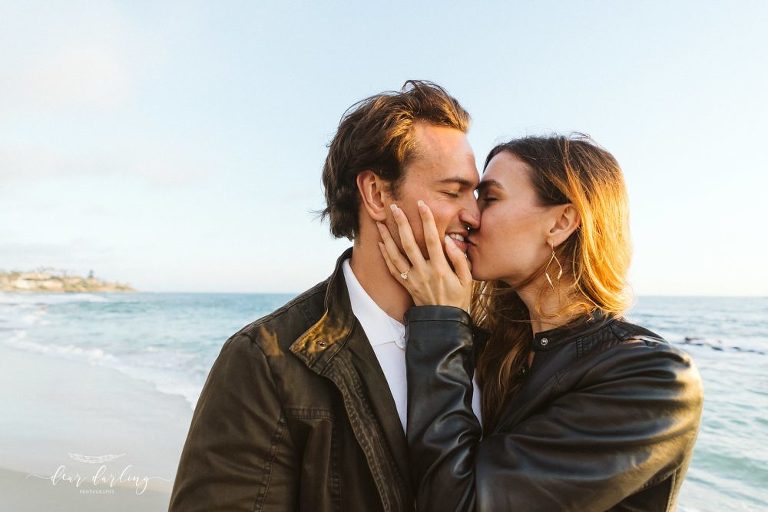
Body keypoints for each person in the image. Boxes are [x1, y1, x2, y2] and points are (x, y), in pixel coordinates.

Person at [168, 80, 482, 512]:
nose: (474, 215)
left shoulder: (494, 344)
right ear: (375, 194)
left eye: (478, 194)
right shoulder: (266, 362)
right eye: (452, 192)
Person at [377, 134, 704, 511]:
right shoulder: (498, 353)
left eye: (490, 198)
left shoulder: (653, 380)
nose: (470, 217)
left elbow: (458, 503)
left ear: (561, 222)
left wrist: (439, 321)